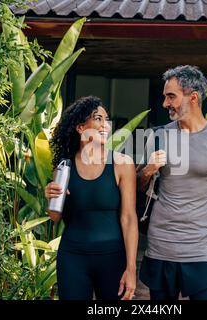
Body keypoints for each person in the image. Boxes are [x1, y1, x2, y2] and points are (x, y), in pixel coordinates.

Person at [137, 65, 207, 300]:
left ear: (193, 97)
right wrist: (147, 171)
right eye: (165, 97)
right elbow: (137, 188)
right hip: (161, 246)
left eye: (171, 96)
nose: (165, 103)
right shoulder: (157, 137)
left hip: (201, 249)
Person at [45, 96, 138, 300]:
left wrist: (131, 268)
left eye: (106, 119)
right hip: (73, 258)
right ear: (80, 128)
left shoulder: (122, 163)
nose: (105, 125)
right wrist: (50, 196)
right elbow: (54, 216)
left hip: (113, 258)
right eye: (98, 119)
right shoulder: (64, 168)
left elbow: (129, 218)